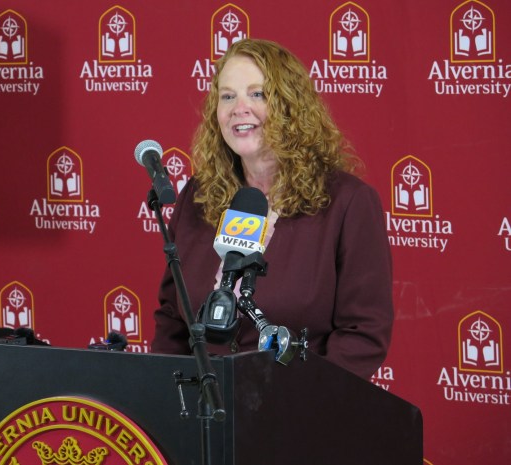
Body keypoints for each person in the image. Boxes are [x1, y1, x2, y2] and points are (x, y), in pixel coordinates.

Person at [151, 38, 393, 380]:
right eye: (228, 95)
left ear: (290, 106)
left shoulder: (348, 203)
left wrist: (300, 403)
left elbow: (363, 332)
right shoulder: (197, 196)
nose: (239, 108)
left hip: (297, 412)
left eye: (258, 94)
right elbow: (173, 318)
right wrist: (171, 393)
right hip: (201, 411)